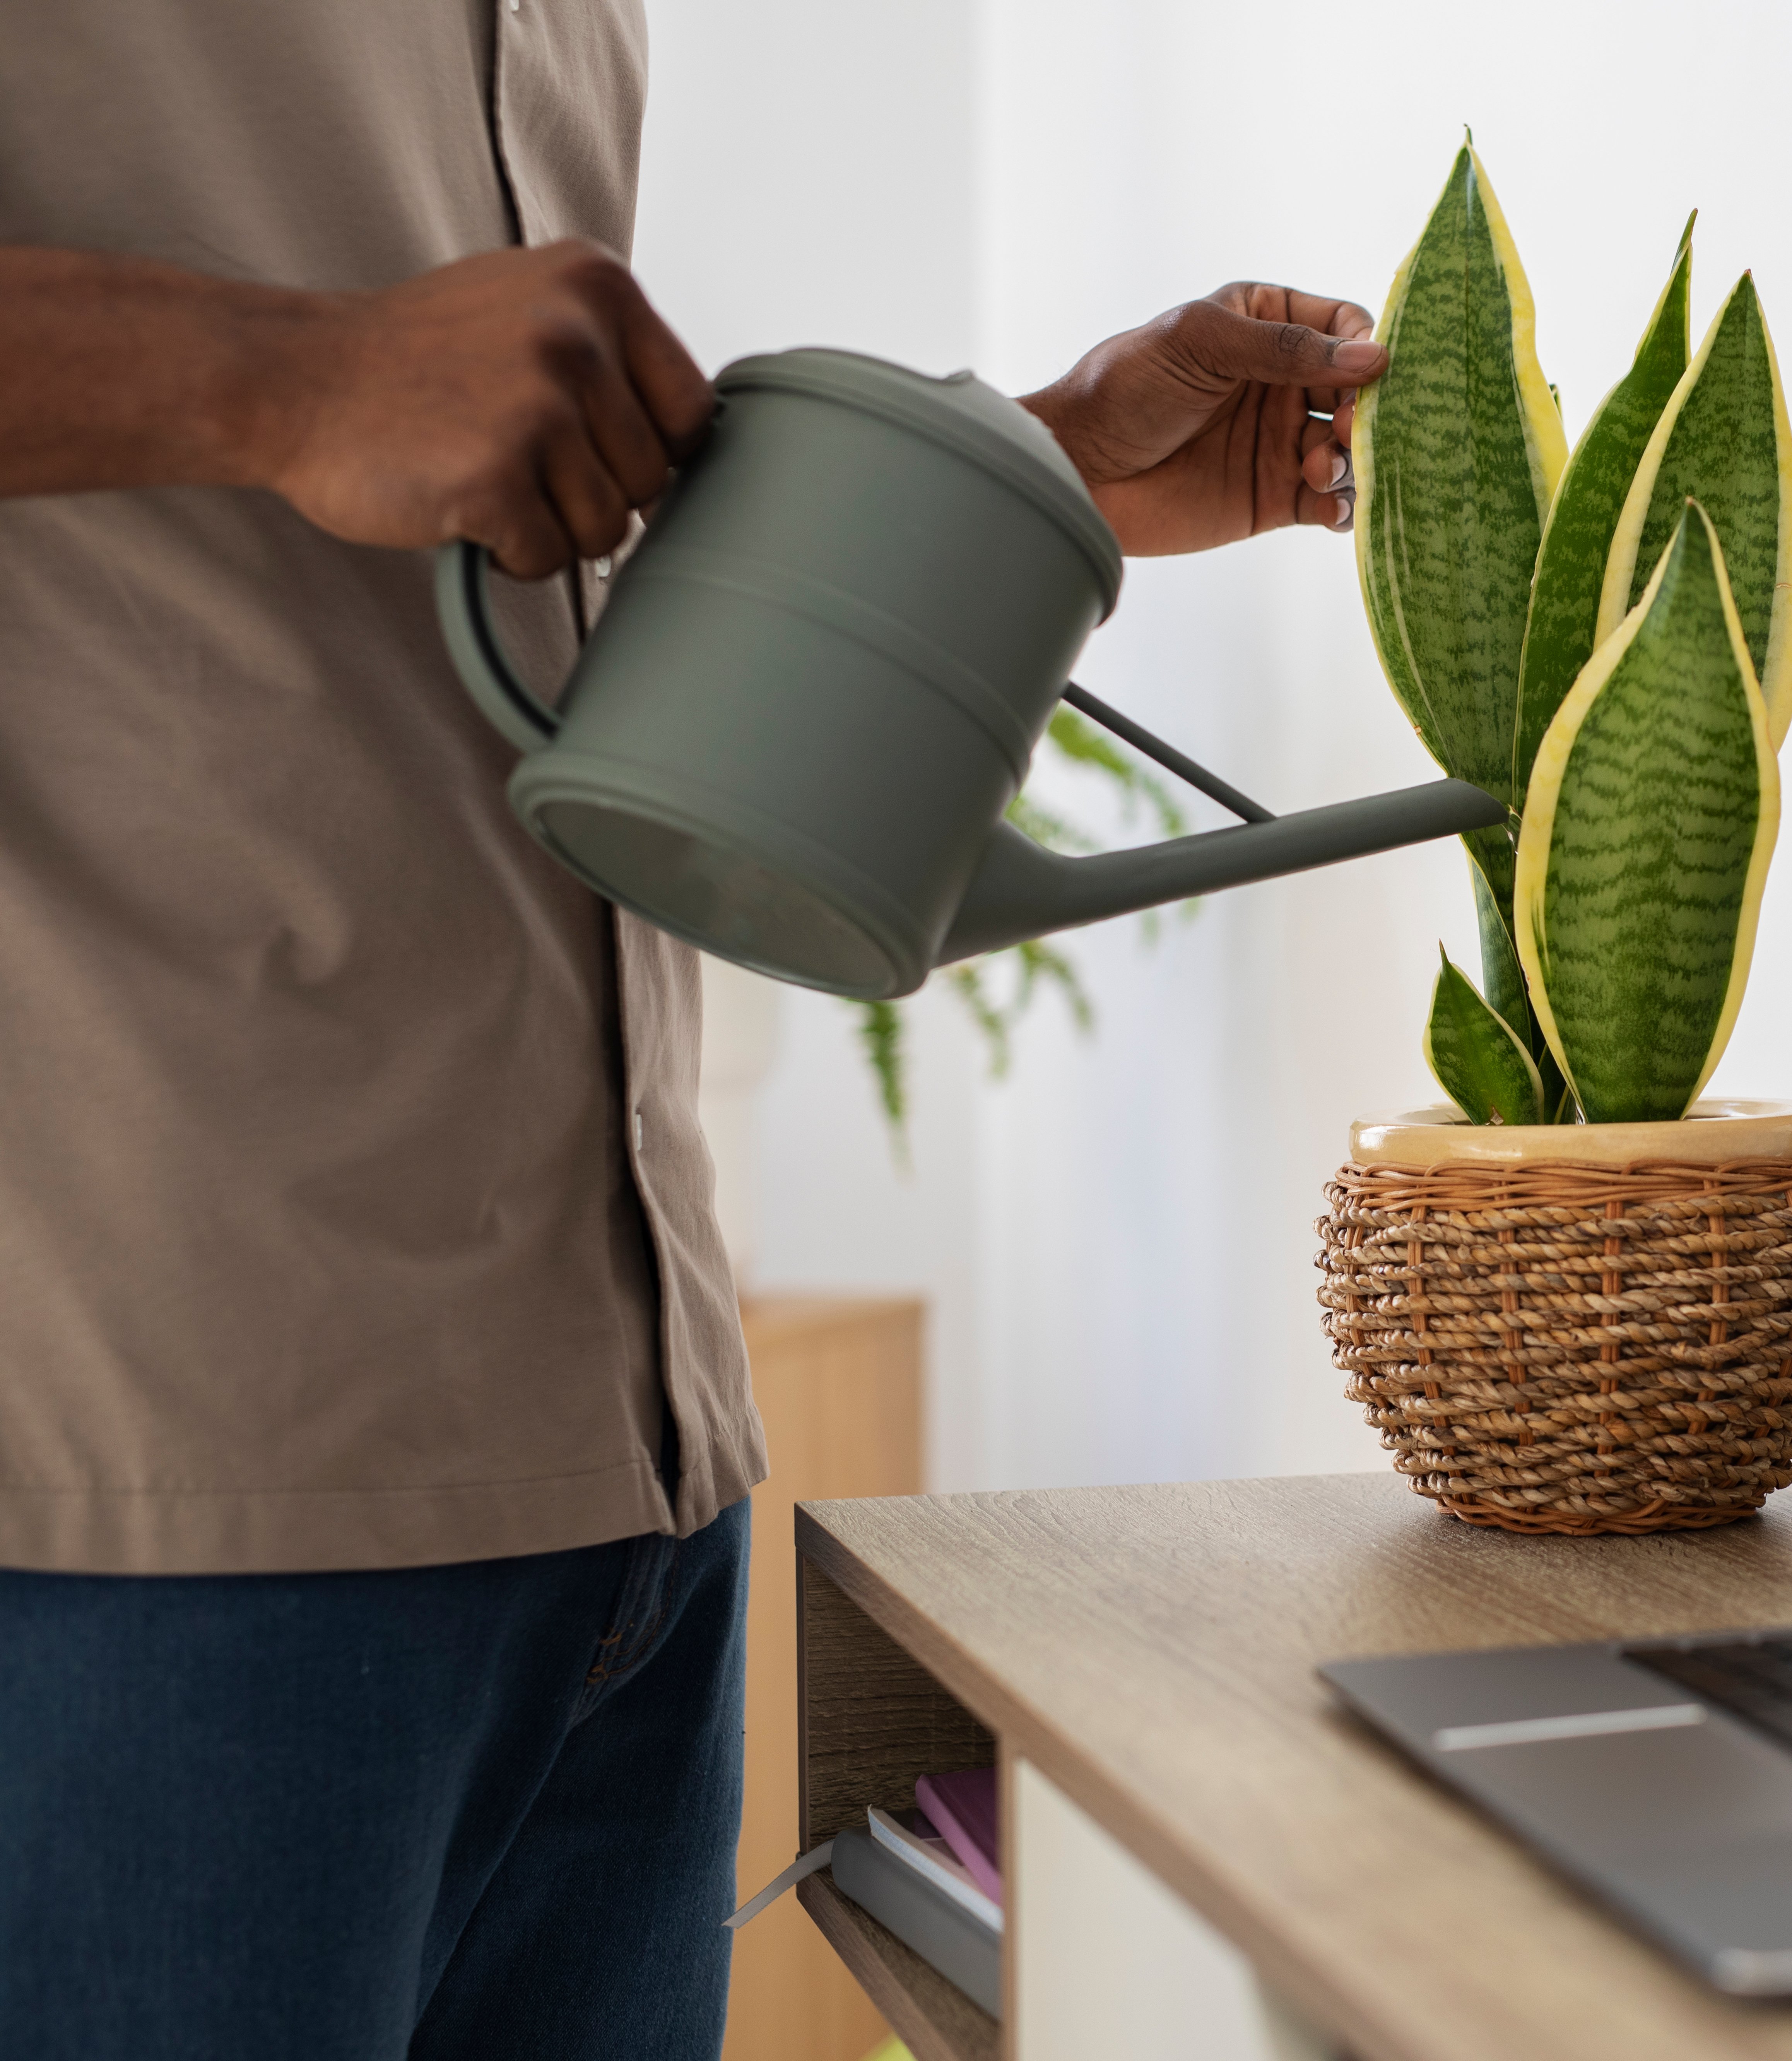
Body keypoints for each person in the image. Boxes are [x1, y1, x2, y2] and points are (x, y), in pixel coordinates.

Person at [0, 8, 1382, 2055]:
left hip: (617, 1491)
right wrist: (279, 377)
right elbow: (347, 409)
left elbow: (495, 536)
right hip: (154, 1501)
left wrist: (1011, 468)